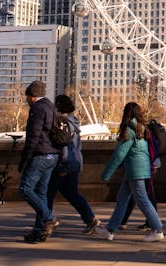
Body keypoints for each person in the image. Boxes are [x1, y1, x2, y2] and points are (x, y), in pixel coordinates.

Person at [96, 102, 164, 242]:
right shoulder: (142, 129)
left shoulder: (129, 130)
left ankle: (157, 229)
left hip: (134, 171)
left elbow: (119, 155)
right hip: (140, 169)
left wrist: (106, 173)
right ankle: (110, 230)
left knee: (142, 200)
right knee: (122, 199)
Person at [46, 95, 99, 234]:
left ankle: (46, 221)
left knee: (48, 193)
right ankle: (90, 219)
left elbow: (64, 147)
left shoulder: (62, 123)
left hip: (65, 164)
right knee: (71, 193)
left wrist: (62, 164)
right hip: (75, 162)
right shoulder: (74, 122)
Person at [18, 80, 59, 243]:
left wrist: (25, 157)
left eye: (27, 97)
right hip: (52, 156)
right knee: (41, 193)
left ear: (32, 96)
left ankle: (50, 218)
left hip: (40, 155)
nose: (26, 100)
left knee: (25, 188)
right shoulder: (51, 107)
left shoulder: (37, 108)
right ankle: (39, 230)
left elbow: (33, 135)